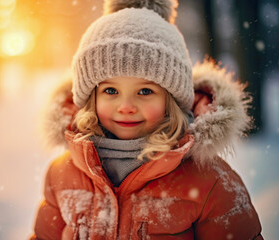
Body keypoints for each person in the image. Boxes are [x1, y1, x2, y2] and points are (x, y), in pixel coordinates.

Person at [30, 0, 263, 239]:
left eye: (144, 91)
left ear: (170, 100)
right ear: (91, 98)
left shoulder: (210, 182)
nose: (126, 107)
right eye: (111, 91)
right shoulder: (63, 174)